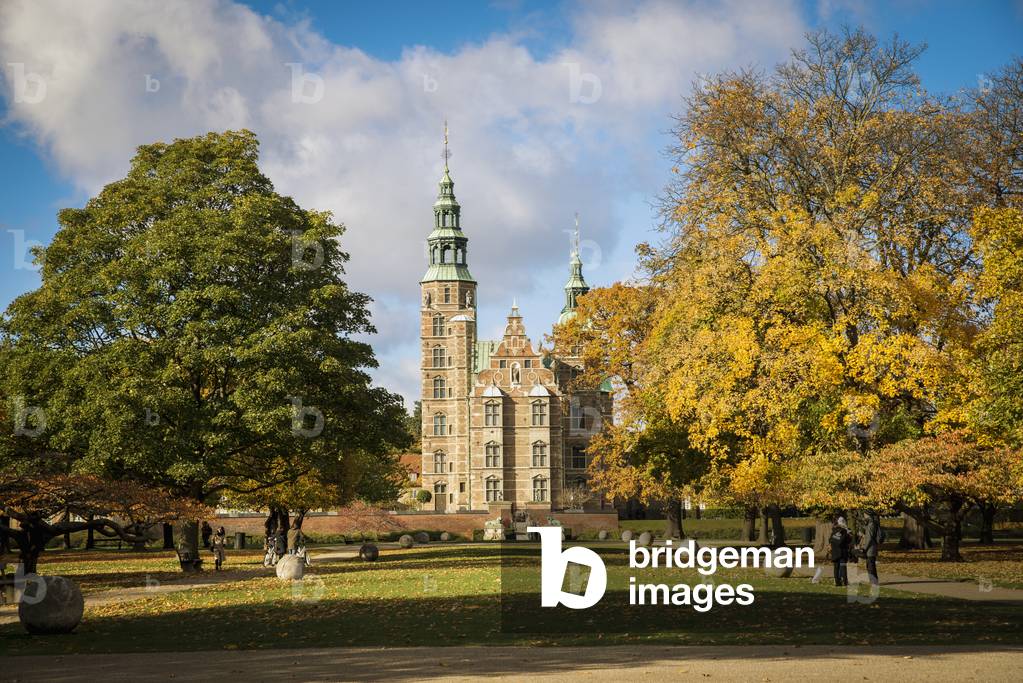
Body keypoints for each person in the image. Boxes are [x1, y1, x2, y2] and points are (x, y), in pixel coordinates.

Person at [829, 516, 853, 586]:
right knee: (843, 567)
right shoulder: (845, 531)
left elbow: (830, 540)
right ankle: (845, 581)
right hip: (842, 553)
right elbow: (849, 540)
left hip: (835, 552)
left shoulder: (834, 530)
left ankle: (837, 582)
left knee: (836, 568)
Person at [860, 511, 883, 585]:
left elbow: (869, 538)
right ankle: (873, 581)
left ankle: (874, 582)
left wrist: (864, 548)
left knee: (871, 566)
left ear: (867, 514)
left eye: (864, 514)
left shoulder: (871, 524)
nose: (864, 515)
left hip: (870, 548)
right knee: (870, 565)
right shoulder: (870, 523)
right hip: (871, 547)